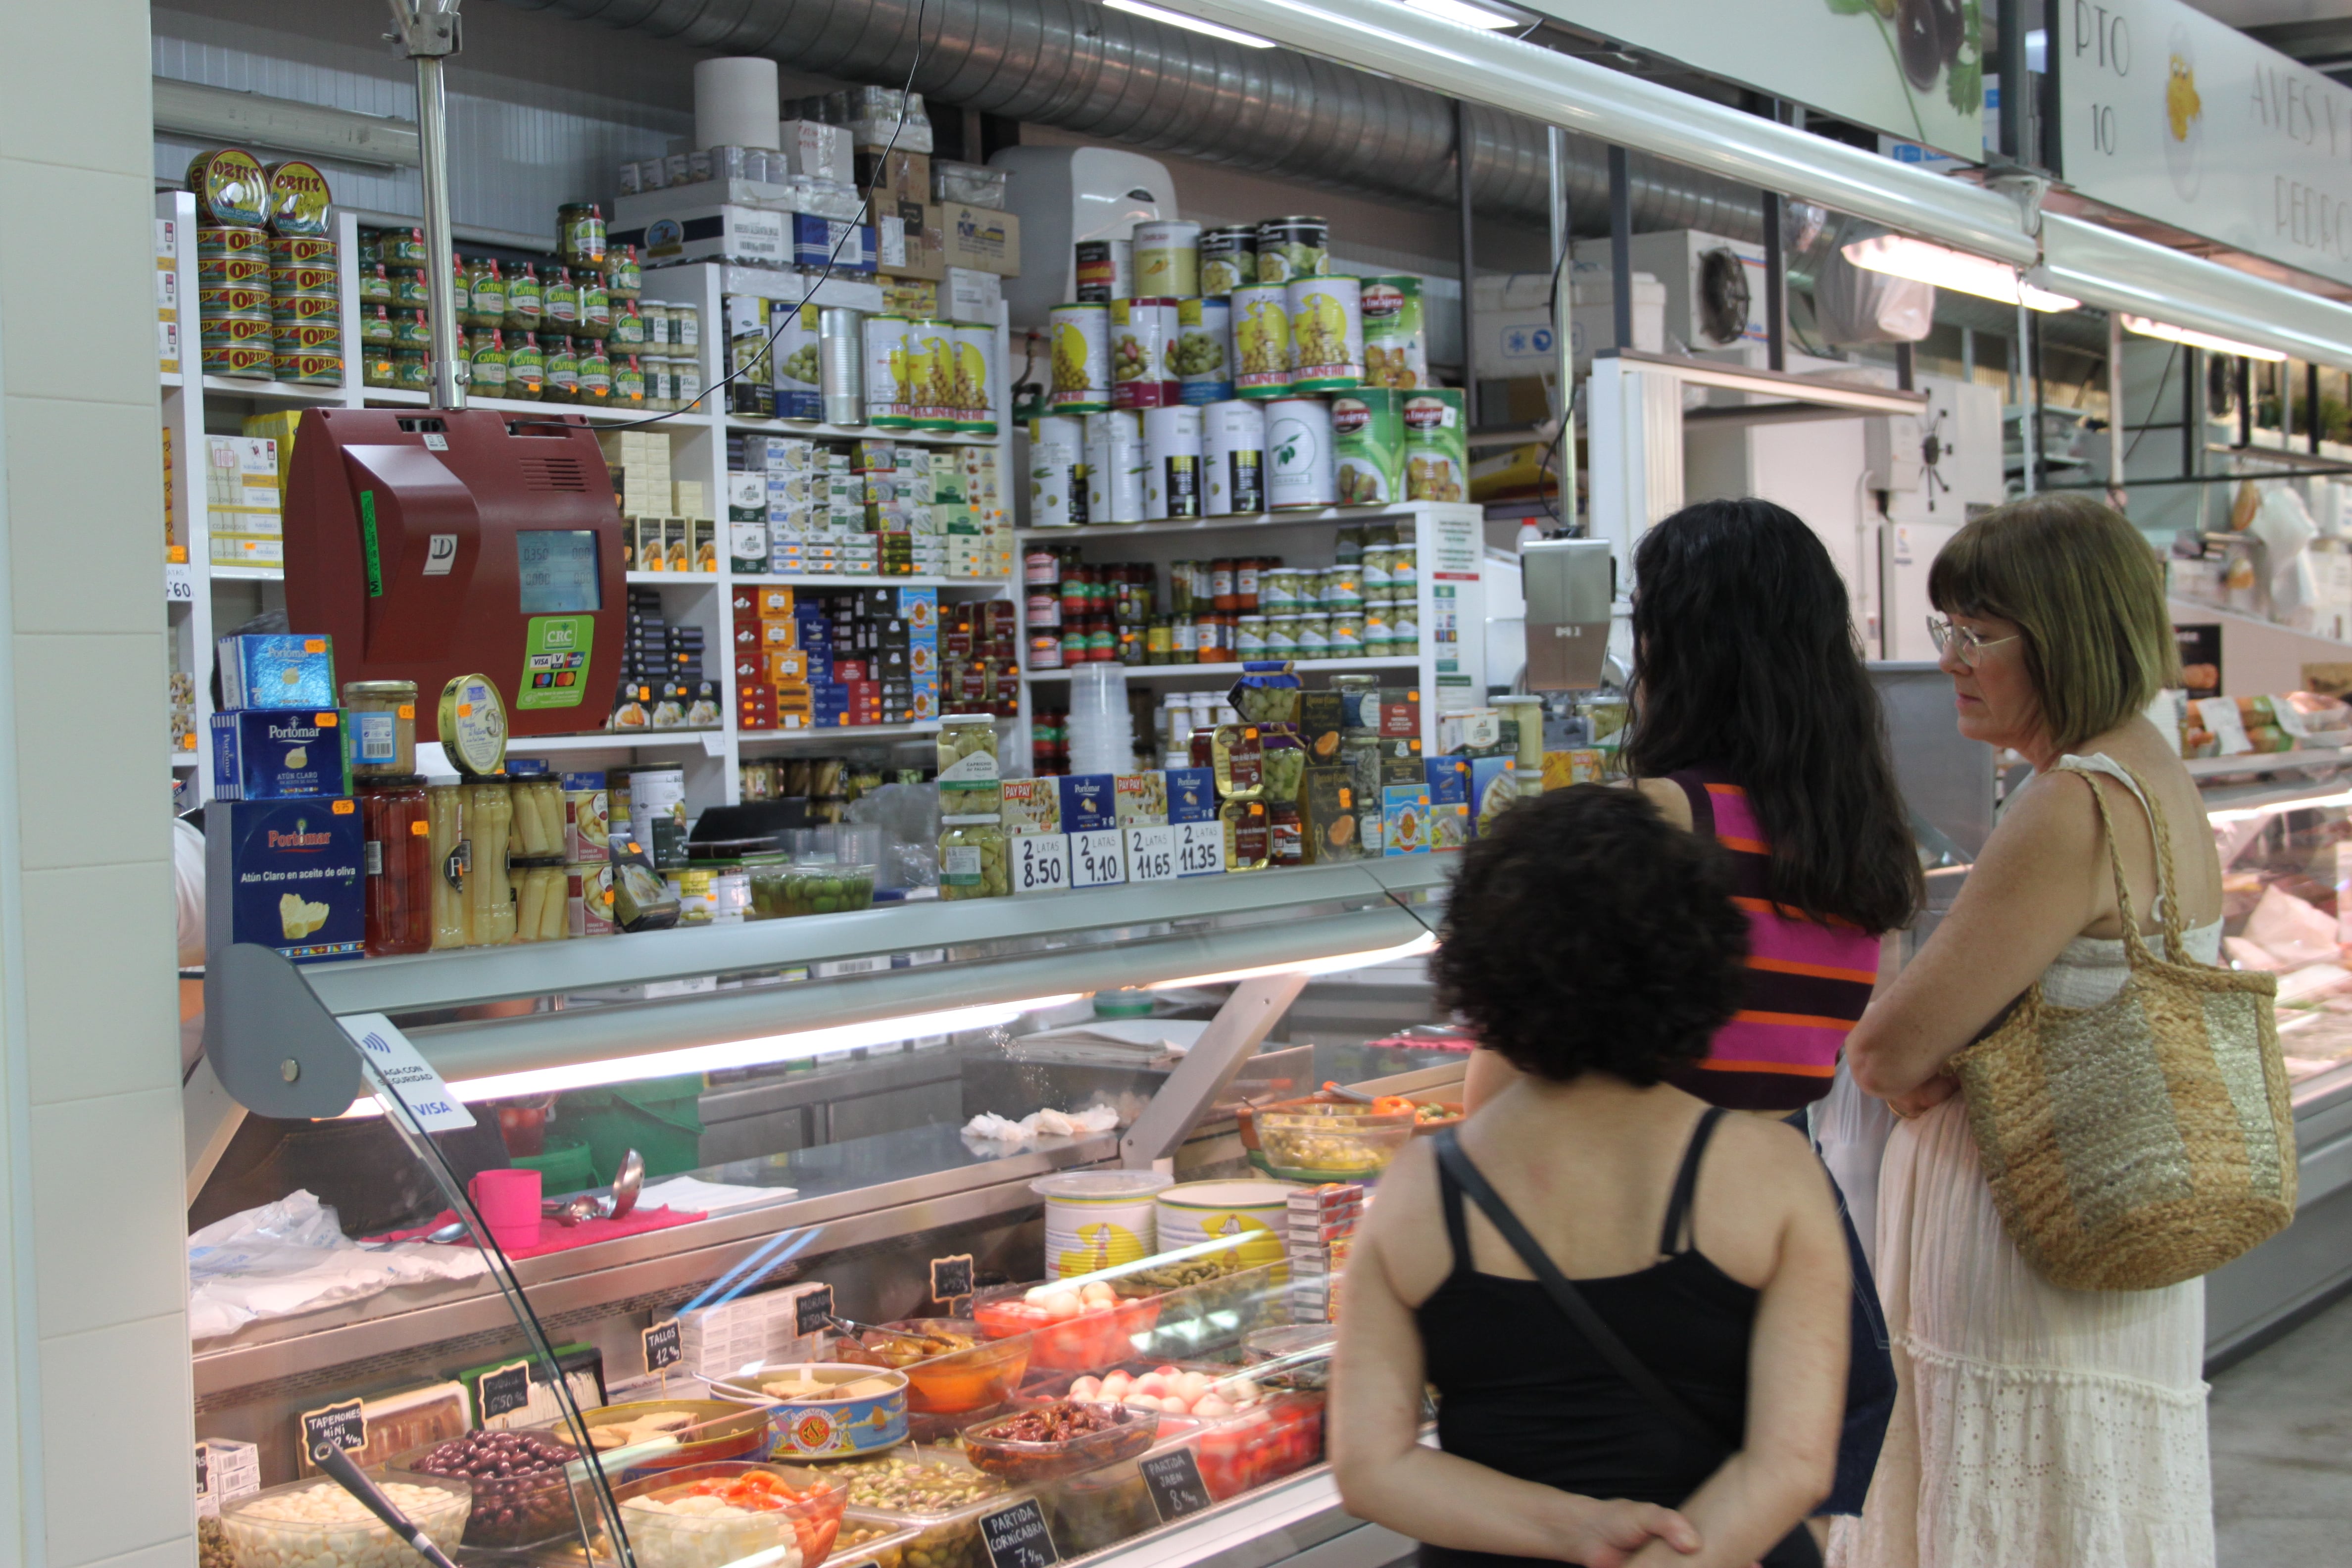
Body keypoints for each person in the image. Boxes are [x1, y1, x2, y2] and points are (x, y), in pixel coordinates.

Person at [1465, 498, 1920, 1521]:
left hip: (1639, 1241)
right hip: (1790, 1222)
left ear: (1676, 644)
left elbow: (1497, 1097)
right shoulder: (1858, 842)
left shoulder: (1659, 824)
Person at [1834, 494, 2219, 1568]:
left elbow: (1887, 1052)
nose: (1952, 659)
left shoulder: (2068, 805)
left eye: (1977, 633)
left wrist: (1913, 1057)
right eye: (1945, 628)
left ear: (2066, 637)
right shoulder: (2156, 773)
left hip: (2024, 1236)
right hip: (2119, 1222)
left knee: (2011, 1509)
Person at [1333, 786, 1850, 1568]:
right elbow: (1794, 1465)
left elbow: (1372, 1469)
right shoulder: (1771, 1175)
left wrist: (1570, 1529)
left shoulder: (1417, 1192)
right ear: (1696, 960)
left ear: (1484, 971)